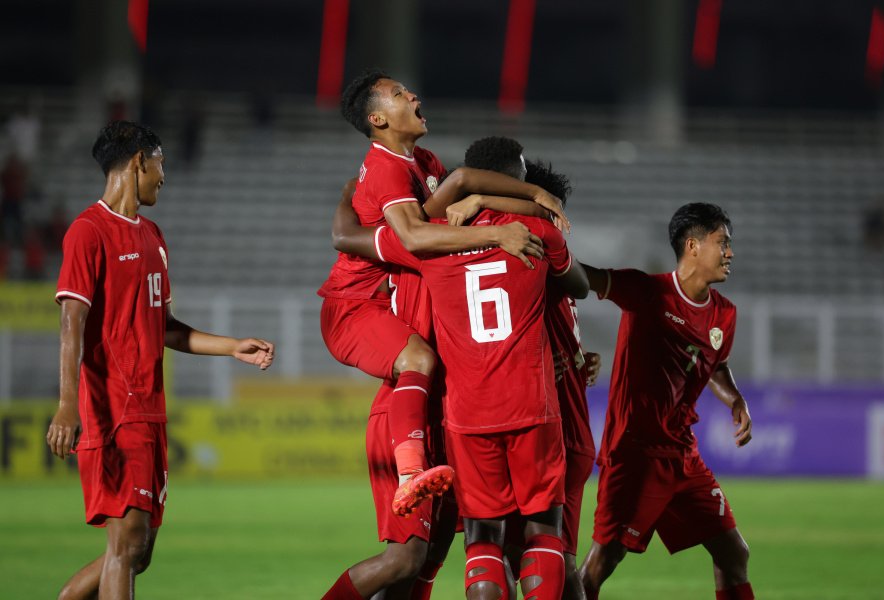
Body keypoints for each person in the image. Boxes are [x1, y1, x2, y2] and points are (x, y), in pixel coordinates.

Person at [318, 69, 568, 521]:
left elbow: (461, 190)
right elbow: (414, 235)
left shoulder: (424, 161)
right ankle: (410, 469)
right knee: (420, 360)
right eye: (399, 94)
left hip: (394, 299)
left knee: (419, 559)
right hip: (356, 305)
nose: (413, 94)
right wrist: (502, 226)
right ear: (378, 118)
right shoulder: (384, 169)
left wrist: (528, 200)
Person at [46, 121, 275, 600]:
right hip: (111, 409)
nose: (163, 176)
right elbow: (72, 325)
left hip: (150, 410)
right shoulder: (87, 232)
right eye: (160, 164)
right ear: (138, 162)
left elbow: (165, 328)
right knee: (126, 542)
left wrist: (231, 345)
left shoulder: (153, 236)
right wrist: (68, 405)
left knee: (138, 550)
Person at [374, 199, 589, 599]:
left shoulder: (429, 242)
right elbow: (580, 285)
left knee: (482, 537)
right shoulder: (533, 232)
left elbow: (353, 237)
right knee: (543, 532)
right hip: (531, 405)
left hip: (468, 416)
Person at [577, 203, 754, 600]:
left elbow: (716, 365)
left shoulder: (724, 314)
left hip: (682, 454)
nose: (730, 252)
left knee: (733, 552)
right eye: (722, 242)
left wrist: (735, 400)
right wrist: (542, 248)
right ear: (692, 246)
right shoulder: (647, 292)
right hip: (634, 454)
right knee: (603, 561)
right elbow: (585, 277)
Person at [450, 139, 600, 600]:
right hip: (549, 419)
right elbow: (581, 289)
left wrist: (476, 198)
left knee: (498, 548)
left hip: (517, 416)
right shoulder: (538, 250)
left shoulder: (454, 246)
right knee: (546, 553)